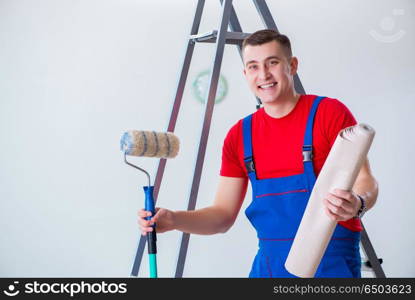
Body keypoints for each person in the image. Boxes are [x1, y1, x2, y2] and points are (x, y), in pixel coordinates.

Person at [138, 29, 378, 278]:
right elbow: (222, 215)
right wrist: (175, 220)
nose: (263, 75)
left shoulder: (328, 113)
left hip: (331, 265)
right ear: (245, 74)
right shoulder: (239, 135)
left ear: (292, 65)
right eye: (253, 66)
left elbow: (365, 180)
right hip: (269, 269)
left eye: (272, 63)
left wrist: (358, 203)